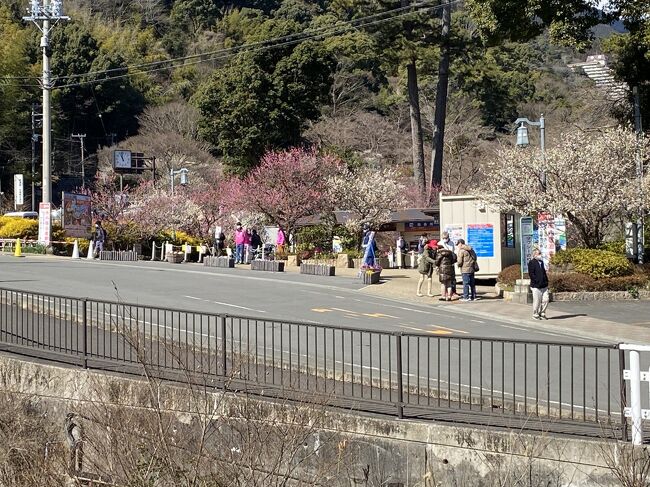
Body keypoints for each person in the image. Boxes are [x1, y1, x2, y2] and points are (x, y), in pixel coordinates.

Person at [528, 248, 549, 320]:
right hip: (536, 286)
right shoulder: (532, 262)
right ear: (534, 255)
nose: (540, 255)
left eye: (540, 253)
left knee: (546, 299)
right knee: (537, 301)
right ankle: (535, 314)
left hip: (544, 285)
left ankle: (542, 313)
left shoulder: (541, 262)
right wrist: (536, 281)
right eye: (538, 253)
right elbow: (531, 274)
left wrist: (546, 281)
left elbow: (544, 273)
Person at [440, 231, 458, 298]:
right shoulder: (440, 243)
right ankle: (447, 295)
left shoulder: (451, 243)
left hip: (448, 265)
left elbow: (452, 253)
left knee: (449, 281)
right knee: (446, 282)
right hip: (446, 265)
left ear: (448, 237)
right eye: (444, 238)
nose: (445, 239)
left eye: (446, 238)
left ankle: (449, 294)